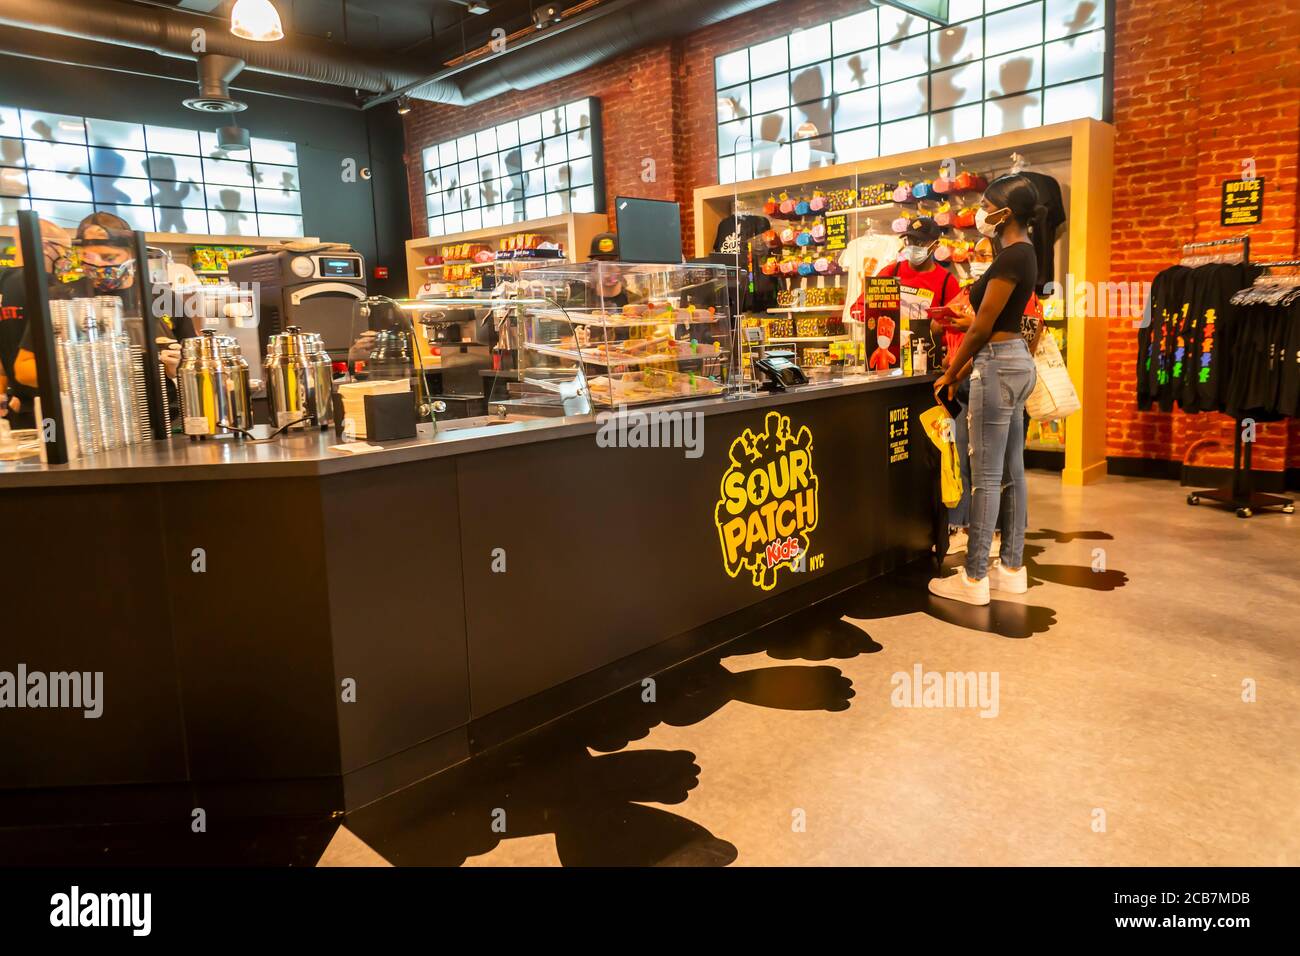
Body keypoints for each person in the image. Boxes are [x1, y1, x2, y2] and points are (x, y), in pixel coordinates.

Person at [928, 174, 1042, 606]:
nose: (980, 212)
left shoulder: (1011, 256)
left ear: (1004, 213)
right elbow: (997, 320)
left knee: (986, 479)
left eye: (986, 204)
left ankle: (974, 578)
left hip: (996, 367)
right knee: (1013, 472)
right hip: (1015, 361)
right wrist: (965, 327)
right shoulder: (1026, 253)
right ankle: (1012, 569)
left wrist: (953, 371)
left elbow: (982, 328)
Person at [0, 220, 72, 428]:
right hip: (51, 407)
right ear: (47, 247)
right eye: (65, 251)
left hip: (16, 410)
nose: (66, 259)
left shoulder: (3, 283)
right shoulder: (48, 287)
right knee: (57, 457)